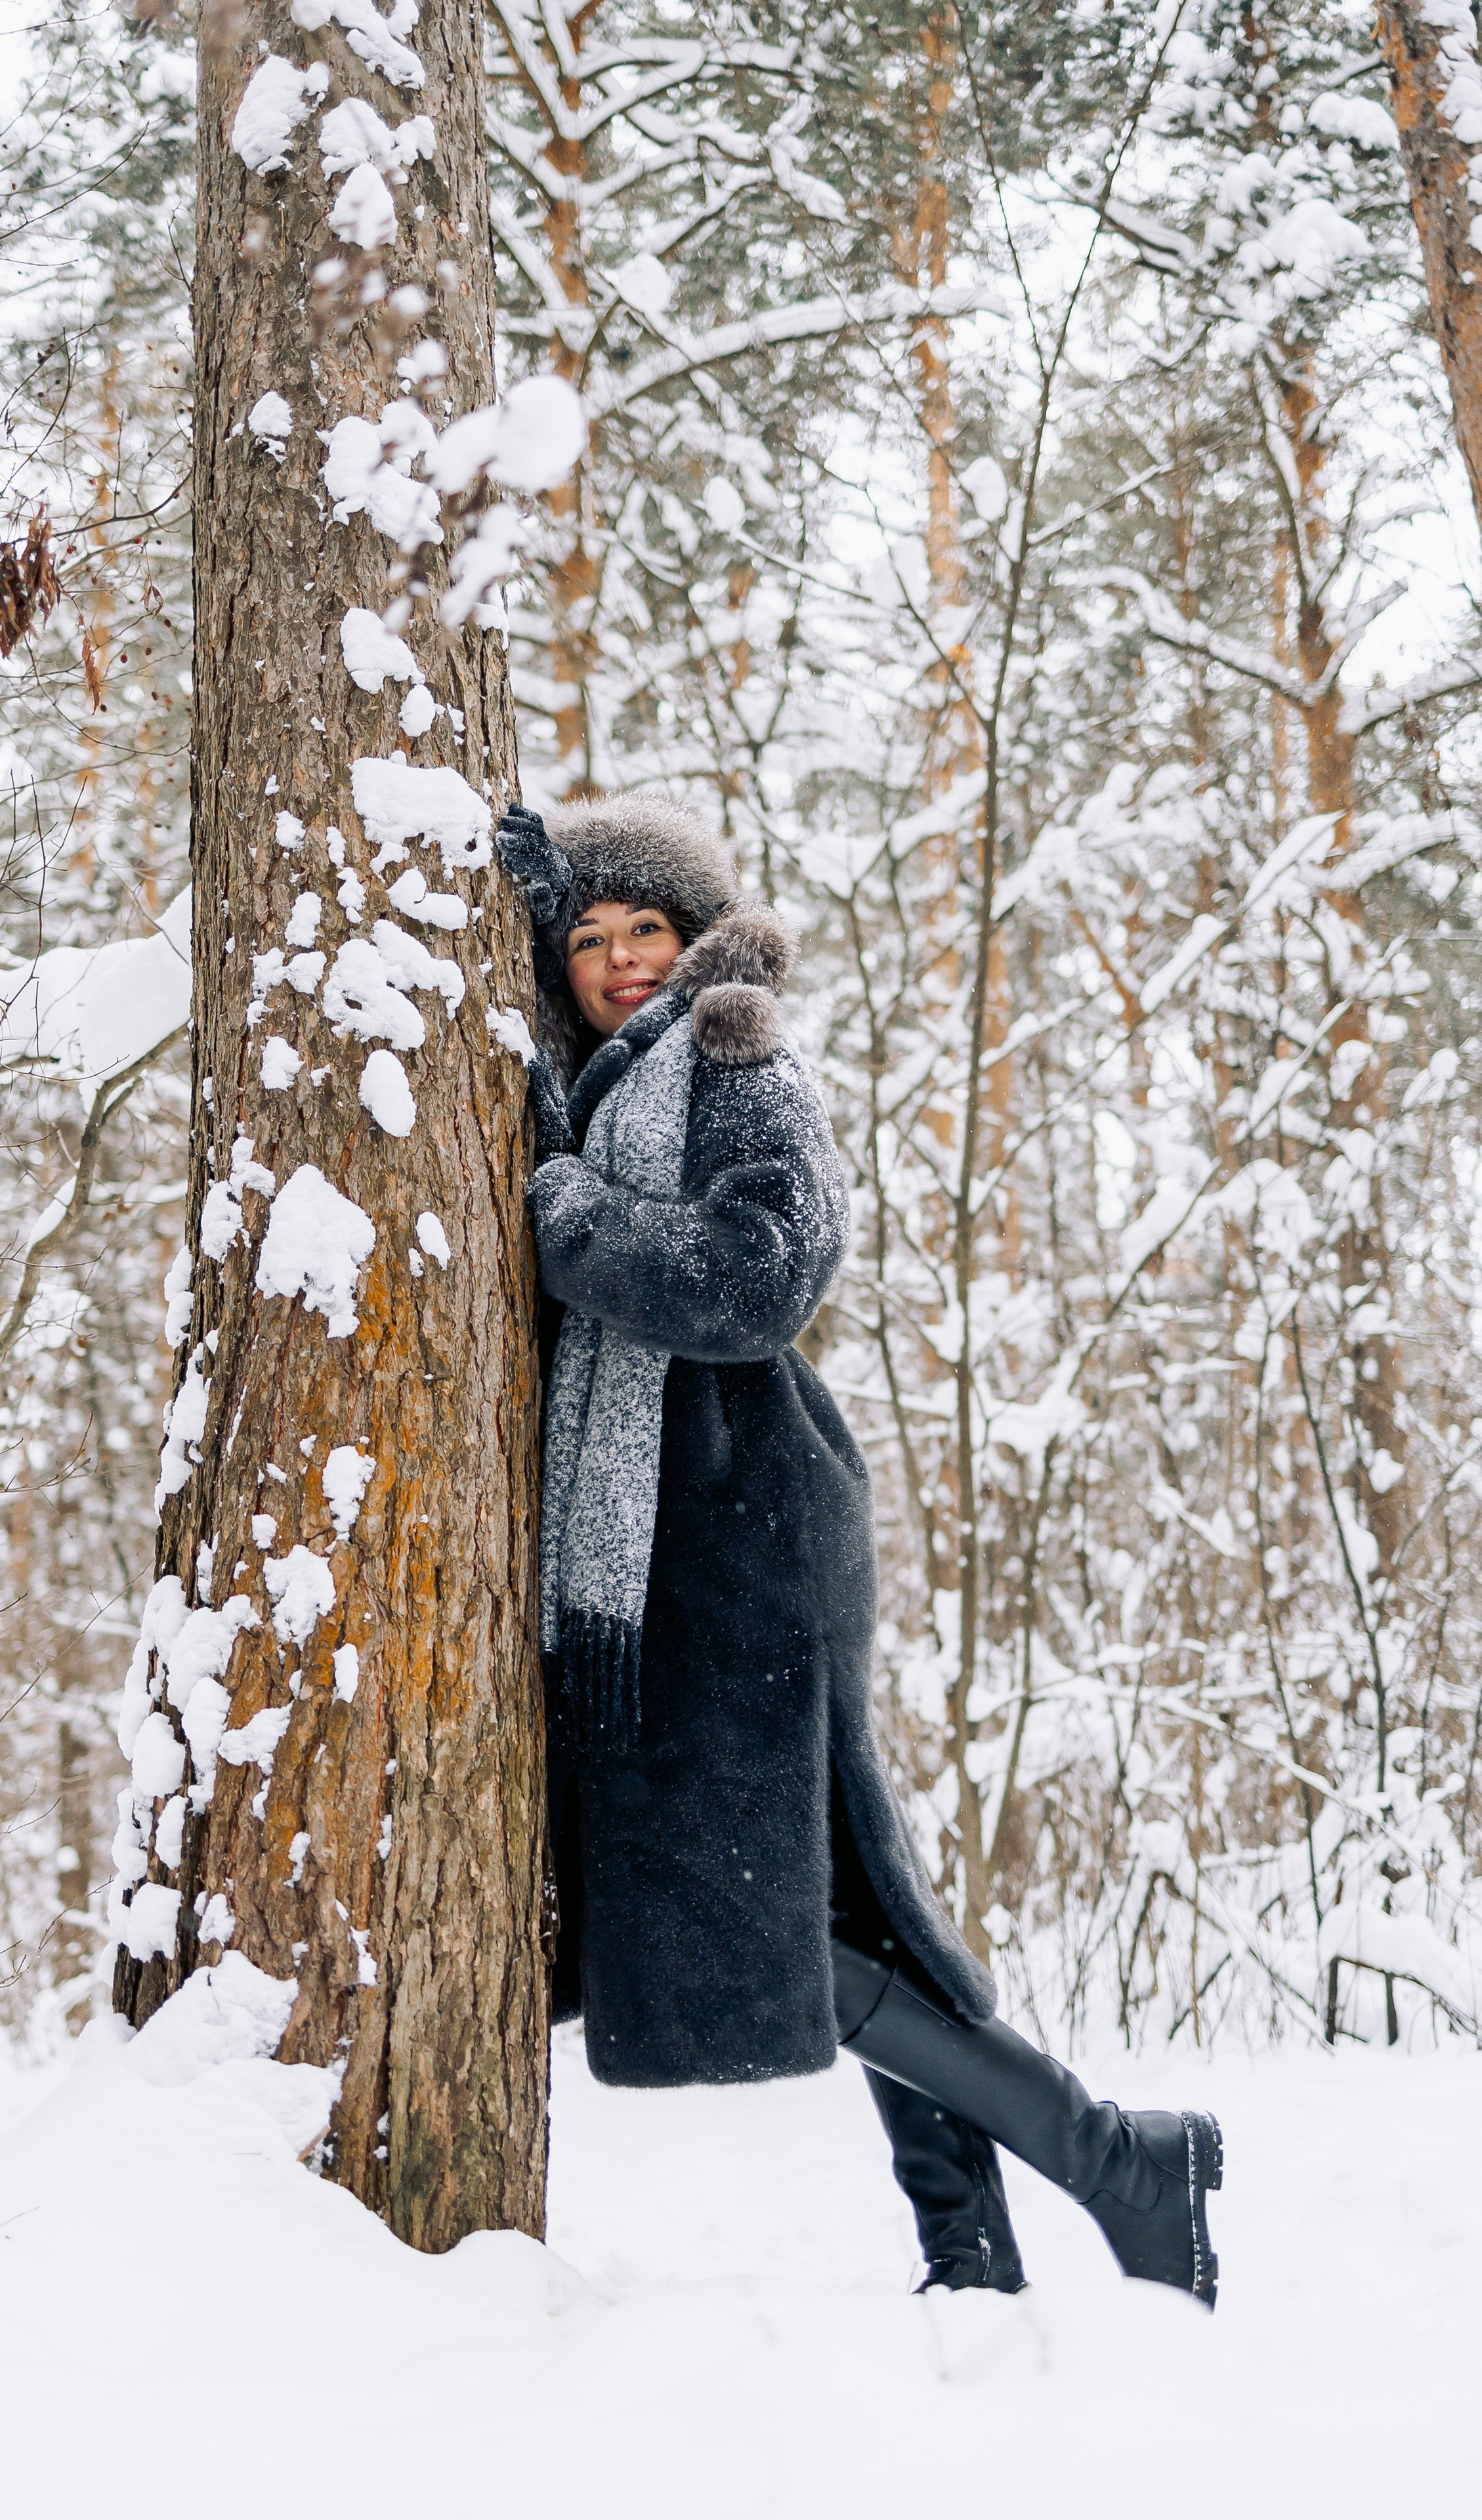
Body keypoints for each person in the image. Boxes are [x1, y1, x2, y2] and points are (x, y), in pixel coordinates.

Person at [498, 789, 1223, 2307]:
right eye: (588, 936)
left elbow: (759, 1274)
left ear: (699, 943)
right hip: (676, 1545)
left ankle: (1112, 2160)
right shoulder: (608, 1074)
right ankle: (969, 2244)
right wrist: (508, 904)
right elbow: (553, 1084)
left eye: (650, 930)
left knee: (754, 1919)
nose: (621, 961)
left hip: (732, 1538)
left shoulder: (737, 1053)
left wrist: (561, 1216)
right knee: (831, 1909)